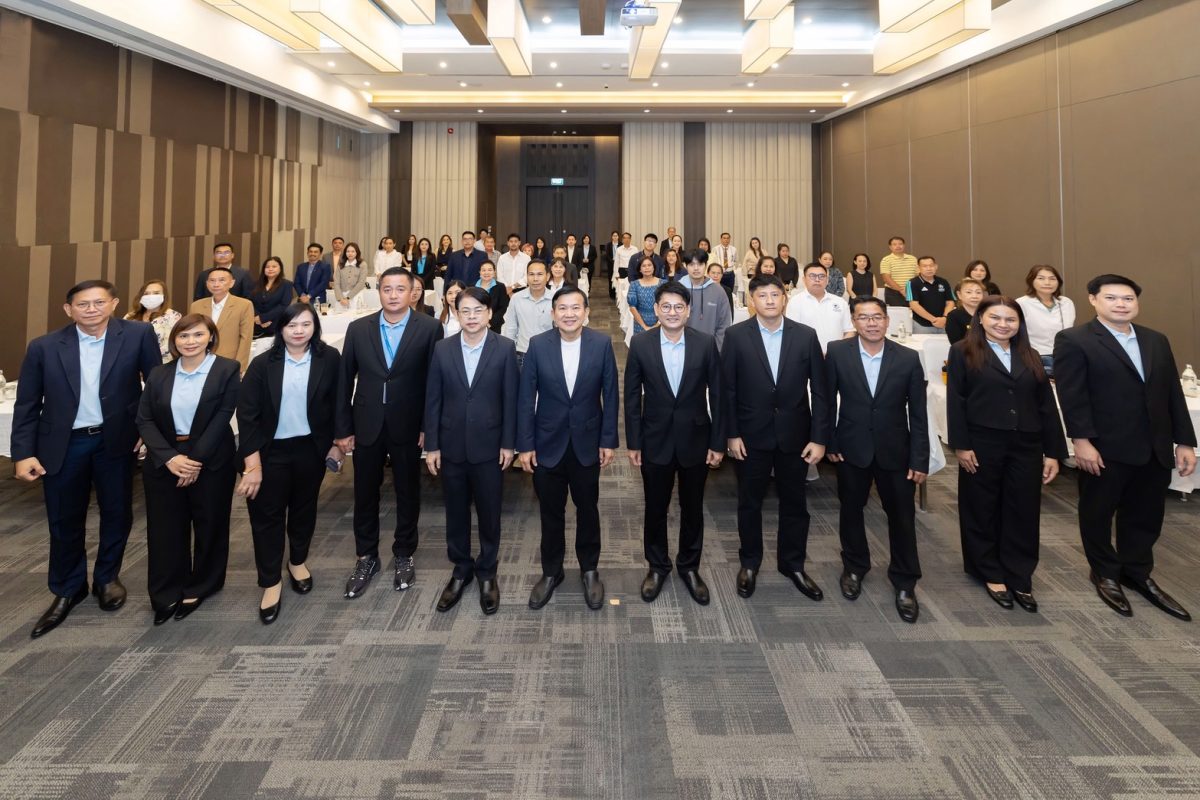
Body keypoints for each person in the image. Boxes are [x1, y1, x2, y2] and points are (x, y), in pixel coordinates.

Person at [13, 280, 161, 638]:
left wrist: (148, 431)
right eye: (82, 304)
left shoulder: (138, 335)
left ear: (114, 303)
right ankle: (69, 588)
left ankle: (107, 578)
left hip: (116, 441)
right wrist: (23, 453)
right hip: (64, 444)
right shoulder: (44, 347)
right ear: (69, 310)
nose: (91, 309)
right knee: (63, 519)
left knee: (117, 513)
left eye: (98, 302)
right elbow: (27, 404)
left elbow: (156, 387)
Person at [1054, 274, 1197, 620]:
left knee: (1146, 515)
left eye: (1128, 298)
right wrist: (1081, 441)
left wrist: (1185, 441)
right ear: (1093, 299)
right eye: (1112, 297)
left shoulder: (1155, 340)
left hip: (1154, 447)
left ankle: (1136, 572)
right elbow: (1072, 396)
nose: (1121, 304)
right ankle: (1104, 572)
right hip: (1104, 447)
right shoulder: (1074, 339)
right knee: (1098, 512)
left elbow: (1172, 393)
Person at [948, 296, 1066, 612]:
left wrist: (1053, 452)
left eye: (1010, 319)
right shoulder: (962, 351)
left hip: (1026, 443)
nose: (1003, 324)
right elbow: (956, 400)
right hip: (981, 442)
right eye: (995, 318)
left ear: (1019, 324)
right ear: (980, 319)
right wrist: (961, 445)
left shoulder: (1030, 354)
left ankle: (1019, 573)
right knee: (981, 507)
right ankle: (988, 570)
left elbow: (1046, 405)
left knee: (1023, 508)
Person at [335, 267, 443, 598]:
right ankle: (366, 556)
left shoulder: (429, 328)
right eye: (387, 289)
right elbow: (344, 381)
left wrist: (428, 427)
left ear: (412, 293)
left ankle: (404, 553)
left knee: (408, 492)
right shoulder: (358, 328)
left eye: (400, 289)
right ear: (378, 292)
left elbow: (435, 383)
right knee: (364, 493)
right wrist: (343, 429)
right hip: (366, 423)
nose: (393, 295)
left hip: (409, 423)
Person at [723, 273, 830, 601]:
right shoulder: (736, 335)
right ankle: (749, 563)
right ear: (751, 301)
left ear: (785, 298)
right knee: (749, 503)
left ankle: (793, 564)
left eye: (775, 294)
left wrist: (819, 438)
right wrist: (731, 434)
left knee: (795, 503)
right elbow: (728, 390)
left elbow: (821, 391)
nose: (769, 300)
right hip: (749, 436)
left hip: (795, 436)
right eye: (762, 295)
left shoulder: (805, 336)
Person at [236, 303, 343, 624]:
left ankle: (297, 561)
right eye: (291, 325)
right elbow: (247, 416)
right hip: (270, 453)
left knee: (303, 511)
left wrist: (338, 444)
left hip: (311, 450)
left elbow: (339, 404)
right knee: (266, 518)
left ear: (315, 327)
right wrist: (253, 465)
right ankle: (270, 581)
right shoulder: (262, 364)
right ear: (280, 328)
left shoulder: (329, 358)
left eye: (306, 324)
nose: (299, 331)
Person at [825, 297, 928, 623]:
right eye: (864, 317)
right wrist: (830, 440)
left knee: (902, 516)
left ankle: (905, 581)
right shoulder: (837, 352)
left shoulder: (908, 358)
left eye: (877, 317)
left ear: (887, 321)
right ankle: (854, 567)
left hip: (895, 450)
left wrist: (920, 458)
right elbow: (826, 401)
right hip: (851, 447)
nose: (871, 323)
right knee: (850, 510)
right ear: (854, 322)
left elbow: (919, 414)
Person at [518, 287, 619, 611]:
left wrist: (607, 440)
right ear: (553, 314)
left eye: (576, 308)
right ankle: (552, 571)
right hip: (547, 443)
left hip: (587, 444)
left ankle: (589, 570)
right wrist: (525, 445)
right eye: (562, 308)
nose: (569, 314)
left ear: (586, 312)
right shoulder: (538, 345)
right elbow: (525, 399)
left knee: (588, 510)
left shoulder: (601, 344)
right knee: (551, 513)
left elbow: (610, 395)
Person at [136, 314, 240, 624]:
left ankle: (203, 584)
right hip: (165, 458)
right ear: (174, 340)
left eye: (198, 334)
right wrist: (171, 458)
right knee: (165, 528)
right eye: (183, 336)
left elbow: (223, 416)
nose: (190, 341)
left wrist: (194, 461)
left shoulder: (227, 369)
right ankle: (166, 591)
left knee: (210, 523)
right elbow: (144, 419)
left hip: (211, 458)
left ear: (211, 337)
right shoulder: (159, 373)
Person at [625, 283, 724, 605]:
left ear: (688, 311)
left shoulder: (705, 343)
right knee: (655, 507)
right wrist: (634, 442)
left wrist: (718, 441)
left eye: (678, 306)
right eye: (665, 306)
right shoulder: (640, 343)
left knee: (693, 508)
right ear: (656, 309)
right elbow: (631, 397)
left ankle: (689, 566)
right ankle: (657, 566)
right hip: (654, 440)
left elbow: (718, 396)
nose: (672, 312)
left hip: (696, 438)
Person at [423, 287, 519, 616]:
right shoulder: (442, 349)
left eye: (479, 310)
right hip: (450, 445)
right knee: (455, 512)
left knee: (490, 513)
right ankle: (461, 568)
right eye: (465, 310)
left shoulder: (504, 348)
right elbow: (433, 399)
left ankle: (487, 571)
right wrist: (432, 445)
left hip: (490, 446)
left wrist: (509, 443)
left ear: (490, 314)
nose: (472, 316)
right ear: (456, 313)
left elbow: (511, 399)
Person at [190, 266, 254, 373]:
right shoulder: (196, 306)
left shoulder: (244, 305)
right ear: (207, 283)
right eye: (212, 280)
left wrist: (239, 367)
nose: (216, 284)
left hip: (229, 362)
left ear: (232, 283)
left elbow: (246, 338)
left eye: (222, 280)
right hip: (200, 361)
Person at [1015, 265, 1075, 376]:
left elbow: (1070, 331)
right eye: (1041, 278)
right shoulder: (1021, 303)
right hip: (1035, 356)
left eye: (1052, 279)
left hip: (1064, 354)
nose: (1047, 283)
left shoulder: (1066, 302)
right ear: (1031, 281)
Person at [784, 262, 854, 354]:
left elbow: (849, 331)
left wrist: (838, 352)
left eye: (821, 276)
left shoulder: (840, 302)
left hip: (836, 356)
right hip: (806, 356)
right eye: (812, 276)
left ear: (827, 280)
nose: (817, 280)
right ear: (804, 280)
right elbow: (792, 333)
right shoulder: (795, 302)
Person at [502, 260, 554, 370]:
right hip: (522, 354)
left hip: (549, 353)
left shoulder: (556, 299)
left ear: (548, 276)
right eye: (531, 274)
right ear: (526, 276)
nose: (535, 279)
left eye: (540, 274)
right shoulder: (516, 298)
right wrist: (508, 353)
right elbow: (510, 328)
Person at [681, 249, 731, 351]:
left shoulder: (718, 291)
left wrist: (717, 349)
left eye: (700, 264)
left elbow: (724, 323)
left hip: (711, 349)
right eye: (691, 264)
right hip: (682, 349)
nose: (696, 268)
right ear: (685, 266)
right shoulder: (677, 290)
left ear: (706, 265)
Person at [125, 279, 182, 362]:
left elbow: (173, 345)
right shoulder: (130, 316)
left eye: (156, 293)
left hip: (160, 364)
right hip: (131, 362)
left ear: (164, 296)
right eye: (146, 294)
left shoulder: (173, 316)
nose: (151, 296)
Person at [905, 256, 955, 333]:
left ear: (936, 266)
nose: (929, 268)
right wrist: (933, 320)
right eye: (925, 266)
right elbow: (914, 305)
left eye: (931, 265)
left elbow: (950, 302)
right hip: (922, 326)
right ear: (918, 268)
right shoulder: (912, 283)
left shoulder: (943, 282)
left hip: (944, 324)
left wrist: (945, 318)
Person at [251, 257, 296, 339]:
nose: (270, 269)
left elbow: (284, 305)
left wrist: (263, 318)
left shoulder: (287, 284)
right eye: (267, 267)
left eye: (274, 266)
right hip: (256, 325)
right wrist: (257, 318)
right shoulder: (255, 284)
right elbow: (250, 302)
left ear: (280, 268)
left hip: (276, 325)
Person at [627, 257, 665, 333]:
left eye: (649, 265)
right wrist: (644, 327)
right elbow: (632, 307)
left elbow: (667, 305)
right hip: (640, 324)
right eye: (643, 266)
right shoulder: (634, 285)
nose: (647, 268)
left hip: (661, 322)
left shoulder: (663, 284)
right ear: (640, 269)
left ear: (654, 267)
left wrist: (658, 324)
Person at [879, 236, 919, 307]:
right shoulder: (886, 260)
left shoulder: (913, 259)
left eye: (900, 244)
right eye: (894, 244)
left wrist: (910, 291)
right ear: (890, 247)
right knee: (896, 313)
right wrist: (901, 290)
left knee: (913, 312)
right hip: (893, 293)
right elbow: (886, 278)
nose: (898, 246)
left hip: (911, 292)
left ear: (904, 245)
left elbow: (918, 275)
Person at [946, 278, 985, 344]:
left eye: (978, 292)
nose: (974, 296)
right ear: (959, 295)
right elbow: (956, 344)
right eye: (969, 292)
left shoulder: (987, 314)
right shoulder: (954, 316)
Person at [295, 243, 332, 307]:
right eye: (311, 251)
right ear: (307, 253)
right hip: (302, 299)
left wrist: (309, 296)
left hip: (318, 299)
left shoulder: (325, 266)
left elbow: (323, 284)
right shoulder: (301, 266)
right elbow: (296, 283)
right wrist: (302, 295)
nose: (312, 254)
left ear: (320, 254)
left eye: (315, 252)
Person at [477, 261, 510, 332]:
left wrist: (490, 323)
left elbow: (503, 307)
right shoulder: (472, 287)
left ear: (494, 272)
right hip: (475, 324)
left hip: (494, 326)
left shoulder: (500, 287)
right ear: (479, 272)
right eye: (483, 270)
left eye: (490, 270)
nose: (486, 273)